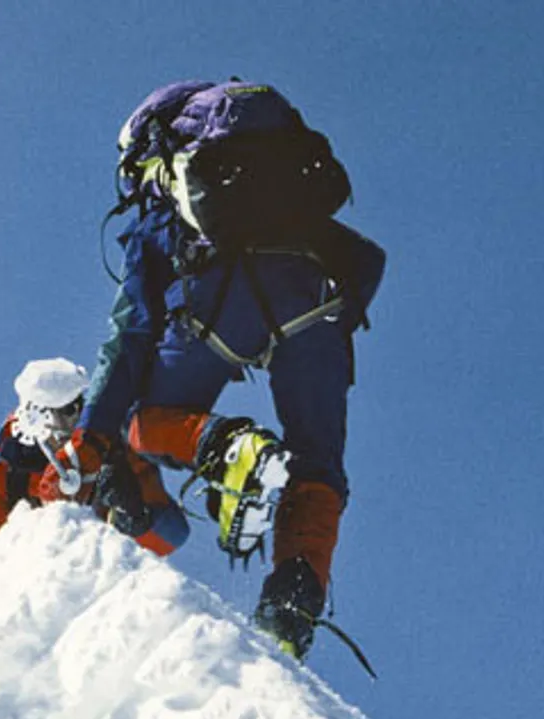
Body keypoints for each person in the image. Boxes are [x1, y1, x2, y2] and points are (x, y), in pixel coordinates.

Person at [79, 79, 385, 660]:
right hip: (317, 297)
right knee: (319, 462)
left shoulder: (163, 211)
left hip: (223, 297)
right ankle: (291, 604)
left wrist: (94, 434)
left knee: (143, 422)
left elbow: (132, 331)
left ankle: (228, 451)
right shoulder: (287, 185)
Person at [0, 357, 186, 567]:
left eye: (79, 407)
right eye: (66, 410)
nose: (75, 419)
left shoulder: (116, 453)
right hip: (32, 587)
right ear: (34, 416)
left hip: (96, 583)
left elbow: (173, 534)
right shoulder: (11, 474)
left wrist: (135, 518)